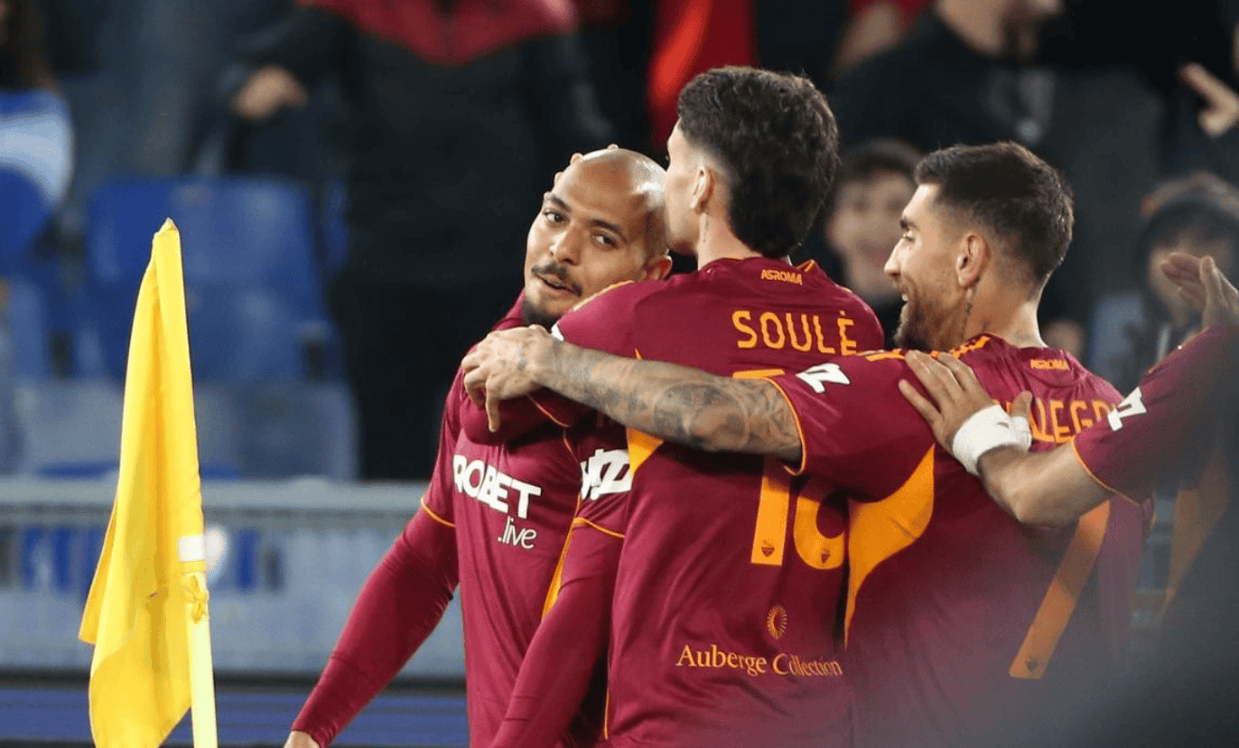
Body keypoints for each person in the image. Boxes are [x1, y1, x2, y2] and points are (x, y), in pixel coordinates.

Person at [462, 141, 1146, 748]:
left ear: (968, 259)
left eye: (910, 235)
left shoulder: (915, 390)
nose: (893, 263)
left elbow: (720, 414)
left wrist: (554, 361)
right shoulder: (1114, 411)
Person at [476, 66, 882, 748]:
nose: (664, 180)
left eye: (671, 162)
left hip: (677, 714)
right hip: (815, 714)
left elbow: (486, 416)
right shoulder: (858, 327)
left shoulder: (627, 318)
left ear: (700, 187)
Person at [281, 148, 672, 748]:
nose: (562, 249)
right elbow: (425, 561)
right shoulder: (485, 366)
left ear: (651, 274)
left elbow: (579, 627)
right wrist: (311, 731)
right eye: (555, 216)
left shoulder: (631, 424)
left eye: (603, 238)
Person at [224, 0, 613, 479]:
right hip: (385, 271)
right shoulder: (356, 8)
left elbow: (573, 129)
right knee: (390, 456)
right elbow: (258, 70)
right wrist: (254, 85)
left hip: (499, 275)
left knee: (498, 462)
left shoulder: (535, 15)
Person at [899, 253, 1239, 747]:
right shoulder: (1214, 362)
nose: (894, 265)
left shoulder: (1210, 362)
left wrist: (983, 439)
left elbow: (1032, 496)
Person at [821, 138, 921, 346]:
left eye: (896, 206)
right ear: (832, 227)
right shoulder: (800, 330)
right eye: (860, 206)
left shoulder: (957, 334)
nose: (878, 223)